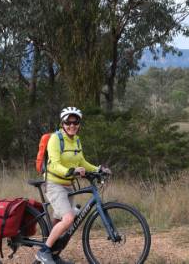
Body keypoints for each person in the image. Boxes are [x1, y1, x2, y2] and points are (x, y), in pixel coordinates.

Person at [36, 107, 112, 264]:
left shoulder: (76, 140)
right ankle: (43, 252)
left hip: (68, 185)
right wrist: (72, 170)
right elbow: (54, 165)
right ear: (62, 123)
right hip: (54, 184)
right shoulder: (56, 139)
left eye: (75, 122)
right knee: (69, 218)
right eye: (68, 122)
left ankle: (54, 255)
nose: (72, 125)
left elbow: (82, 161)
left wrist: (98, 169)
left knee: (64, 225)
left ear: (79, 123)